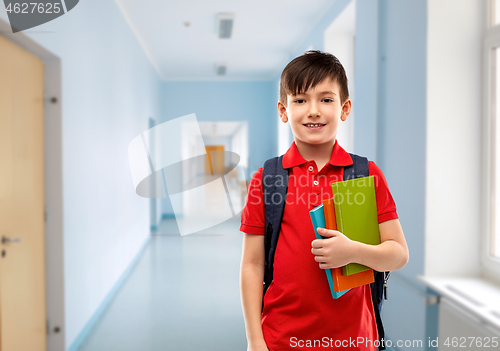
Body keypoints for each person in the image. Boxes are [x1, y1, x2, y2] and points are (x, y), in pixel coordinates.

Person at [239, 50, 409, 351]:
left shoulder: (365, 174)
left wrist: (353, 251)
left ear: (344, 108)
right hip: (281, 340)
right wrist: (255, 341)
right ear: (283, 110)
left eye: (326, 99)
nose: (313, 110)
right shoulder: (267, 179)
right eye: (300, 100)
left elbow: (398, 254)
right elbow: (252, 264)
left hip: (355, 340)